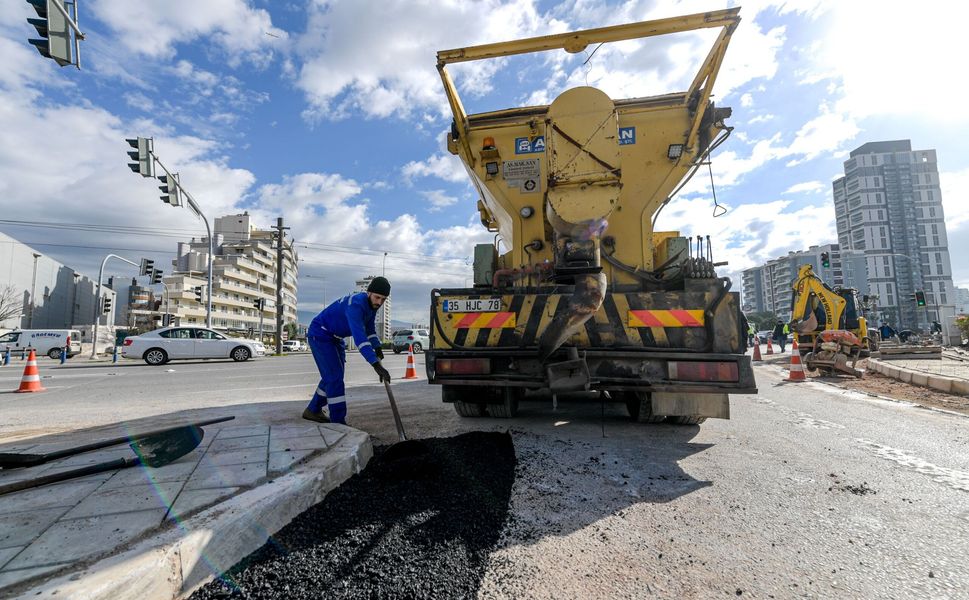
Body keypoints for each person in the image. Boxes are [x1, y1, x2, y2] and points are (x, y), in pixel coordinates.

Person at [302, 277, 392, 425]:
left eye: (383, 299)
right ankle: (338, 422)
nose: (379, 302)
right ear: (368, 292)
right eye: (377, 297)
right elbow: (360, 339)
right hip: (321, 335)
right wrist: (376, 364)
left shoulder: (372, 307)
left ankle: (313, 409)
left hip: (336, 339)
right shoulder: (356, 305)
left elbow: (369, 330)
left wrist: (377, 347)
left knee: (332, 376)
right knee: (334, 378)